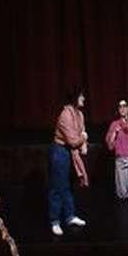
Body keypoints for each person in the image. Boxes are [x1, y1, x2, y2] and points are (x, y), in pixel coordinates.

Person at [49, 86, 89, 236]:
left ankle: (70, 216)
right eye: (81, 96)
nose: (84, 98)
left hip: (71, 153)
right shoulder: (65, 114)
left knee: (68, 185)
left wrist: (83, 143)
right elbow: (73, 140)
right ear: (75, 98)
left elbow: (82, 131)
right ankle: (54, 221)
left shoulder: (79, 114)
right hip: (60, 152)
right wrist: (83, 139)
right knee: (57, 187)